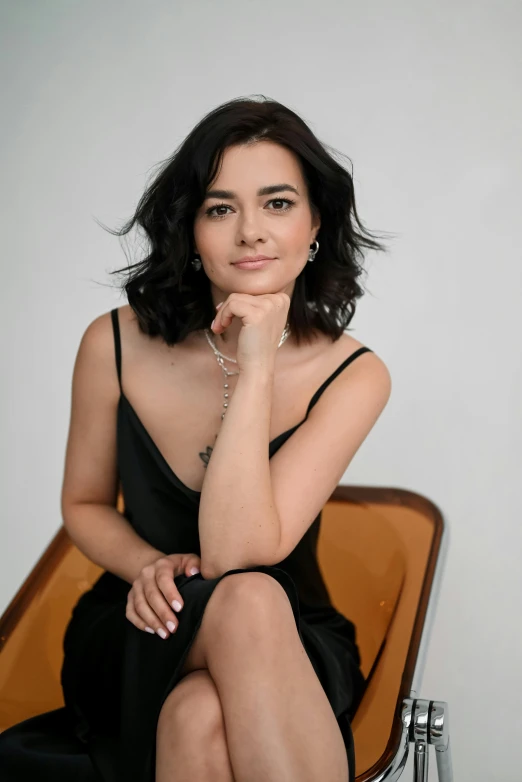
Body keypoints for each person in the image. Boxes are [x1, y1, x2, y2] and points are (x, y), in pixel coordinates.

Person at [0, 95, 392, 782]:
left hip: (287, 636)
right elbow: (86, 504)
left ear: (315, 224)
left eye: (276, 204)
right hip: (141, 622)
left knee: (203, 706)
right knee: (242, 602)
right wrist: (145, 564)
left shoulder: (354, 374)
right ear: (191, 230)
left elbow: (239, 553)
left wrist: (258, 361)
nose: (250, 232)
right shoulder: (113, 343)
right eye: (220, 208)